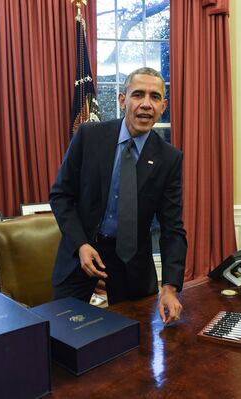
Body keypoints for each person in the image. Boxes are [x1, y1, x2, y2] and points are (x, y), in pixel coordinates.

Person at [50, 67, 187, 324]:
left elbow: (172, 228)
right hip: (81, 252)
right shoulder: (89, 136)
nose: (146, 104)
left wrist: (170, 287)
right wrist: (80, 244)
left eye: (155, 97)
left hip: (132, 262)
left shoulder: (169, 159)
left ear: (163, 106)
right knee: (62, 334)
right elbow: (61, 195)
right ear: (122, 100)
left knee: (136, 346)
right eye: (138, 94)